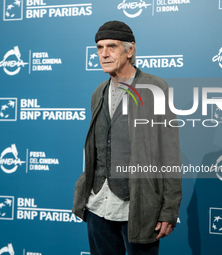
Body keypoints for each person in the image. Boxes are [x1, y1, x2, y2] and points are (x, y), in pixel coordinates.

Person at [72, 20, 182, 255]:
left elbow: (170, 154)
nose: (104, 54)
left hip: (138, 208)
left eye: (111, 46)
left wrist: (169, 210)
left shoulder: (155, 88)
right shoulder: (98, 92)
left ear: (130, 50)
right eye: (99, 48)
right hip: (98, 206)